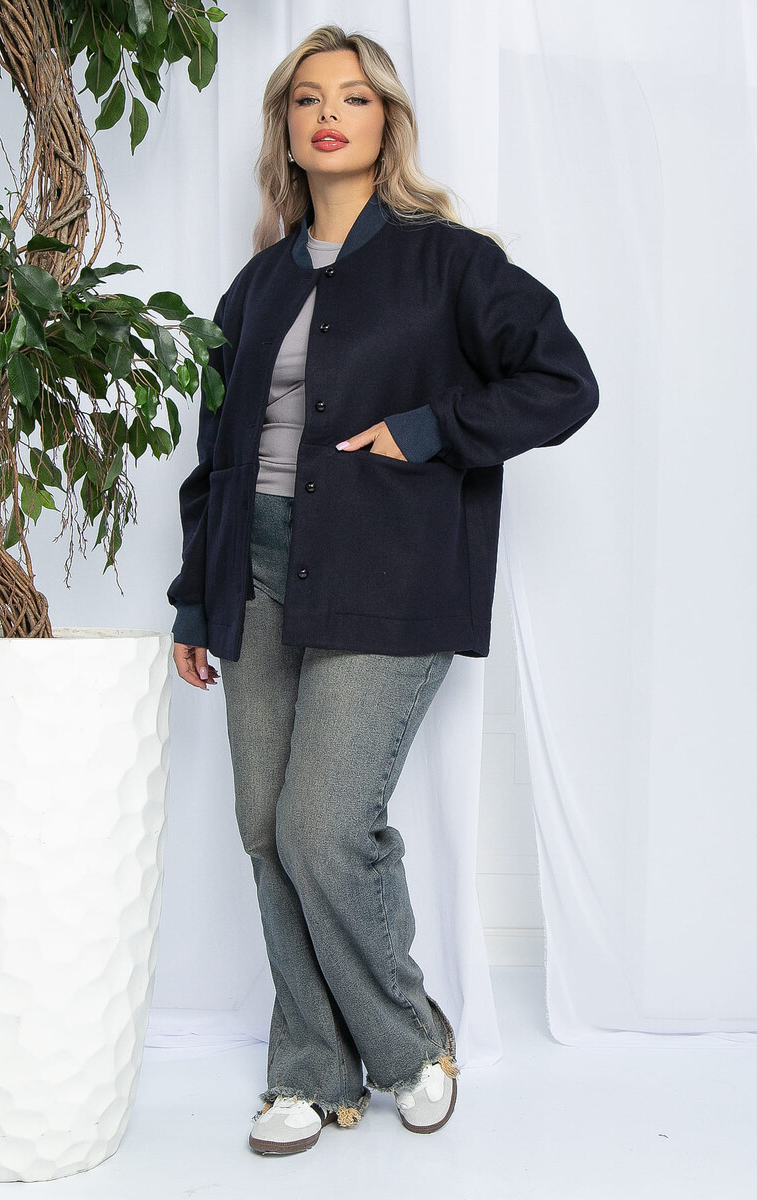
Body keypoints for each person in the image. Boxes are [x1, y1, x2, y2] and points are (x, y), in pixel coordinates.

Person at [167, 24, 599, 1157]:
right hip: (251, 578)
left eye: (353, 97)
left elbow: (562, 382)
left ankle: (410, 1046)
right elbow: (217, 456)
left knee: (323, 824)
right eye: (307, 99)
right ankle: (310, 1070)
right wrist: (193, 599)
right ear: (285, 131)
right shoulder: (255, 285)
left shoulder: (448, 263)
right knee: (265, 829)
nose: (329, 115)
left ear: (386, 121)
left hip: (387, 571)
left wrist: (428, 429)